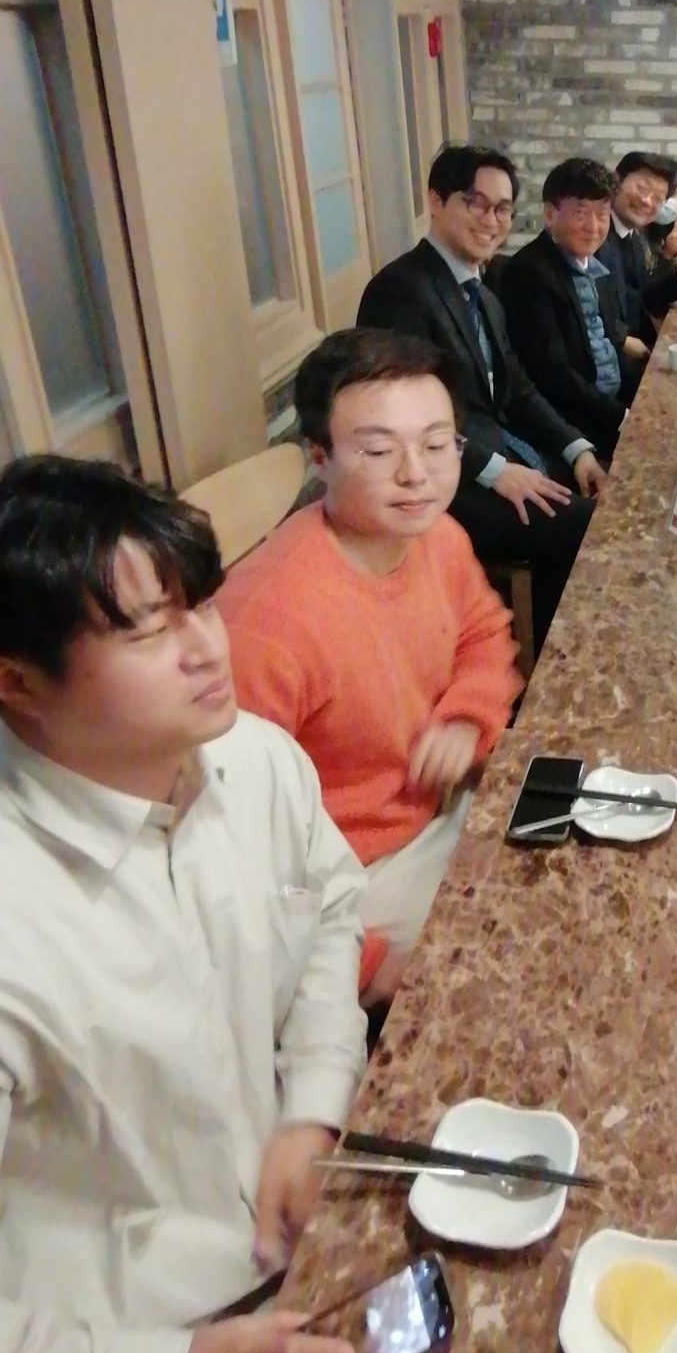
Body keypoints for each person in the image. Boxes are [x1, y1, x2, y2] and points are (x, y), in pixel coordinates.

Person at [0, 457, 371, 1353]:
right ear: (12, 680)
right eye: (150, 630)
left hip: (300, 1245)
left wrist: (311, 1105)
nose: (210, 644)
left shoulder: (252, 759)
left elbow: (333, 906)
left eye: (200, 601)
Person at [220, 330, 520, 1013]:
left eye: (437, 445)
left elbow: (483, 632)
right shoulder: (266, 625)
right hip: (349, 881)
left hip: (440, 813)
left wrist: (466, 717)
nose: (417, 474)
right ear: (319, 458)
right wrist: (369, 965)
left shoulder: (436, 536)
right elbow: (233, 851)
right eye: (380, 452)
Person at [356, 144, 604, 648]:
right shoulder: (400, 291)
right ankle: (552, 664)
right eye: (476, 203)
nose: (491, 221)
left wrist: (576, 447)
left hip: (494, 448)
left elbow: (518, 389)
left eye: (503, 209)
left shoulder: (483, 292)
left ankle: (547, 640)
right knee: (586, 526)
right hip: (437, 481)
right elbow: (403, 418)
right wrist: (495, 470)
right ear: (436, 201)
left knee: (597, 491)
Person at [499, 157, 639, 462]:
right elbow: (553, 376)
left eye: (602, 214)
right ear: (550, 214)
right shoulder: (529, 274)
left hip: (610, 406)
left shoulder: (596, 264)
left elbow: (610, 345)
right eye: (580, 213)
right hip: (575, 424)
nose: (593, 226)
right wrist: (624, 417)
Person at [599, 152, 677, 349]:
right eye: (642, 188)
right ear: (616, 181)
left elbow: (646, 297)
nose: (648, 201)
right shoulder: (595, 234)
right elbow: (586, 311)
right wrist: (623, 341)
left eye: (658, 198)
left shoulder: (634, 236)